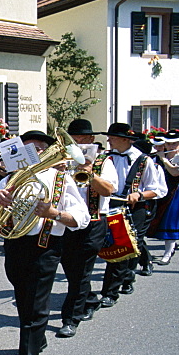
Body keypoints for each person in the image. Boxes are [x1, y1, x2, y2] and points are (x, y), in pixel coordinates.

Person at [0, 130, 88, 355]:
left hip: (45, 246)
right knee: (23, 298)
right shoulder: (11, 178)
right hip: (15, 244)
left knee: (36, 306)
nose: (33, 154)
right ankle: (36, 338)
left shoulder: (60, 179)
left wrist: (54, 213)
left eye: (38, 149)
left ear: (45, 151)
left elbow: (82, 217)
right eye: (26, 148)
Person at [54, 119, 118, 337]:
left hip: (93, 223)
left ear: (91, 140)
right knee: (73, 271)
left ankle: (70, 319)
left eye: (83, 139)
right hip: (66, 223)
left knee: (80, 272)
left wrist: (90, 174)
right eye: (74, 139)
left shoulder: (103, 162)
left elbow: (109, 190)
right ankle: (89, 300)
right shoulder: (61, 161)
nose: (78, 142)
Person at [98, 123, 167, 307]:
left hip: (135, 208)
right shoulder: (104, 157)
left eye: (112, 137)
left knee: (123, 247)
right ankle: (127, 278)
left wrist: (139, 194)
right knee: (114, 247)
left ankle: (110, 292)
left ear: (125, 140)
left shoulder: (144, 160)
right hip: (110, 204)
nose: (108, 140)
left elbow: (158, 190)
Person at [149, 130, 179, 265]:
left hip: (176, 191)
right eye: (168, 143)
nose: (171, 146)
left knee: (171, 222)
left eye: (175, 143)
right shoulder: (156, 157)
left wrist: (164, 160)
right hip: (159, 192)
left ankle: (168, 253)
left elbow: (175, 172)